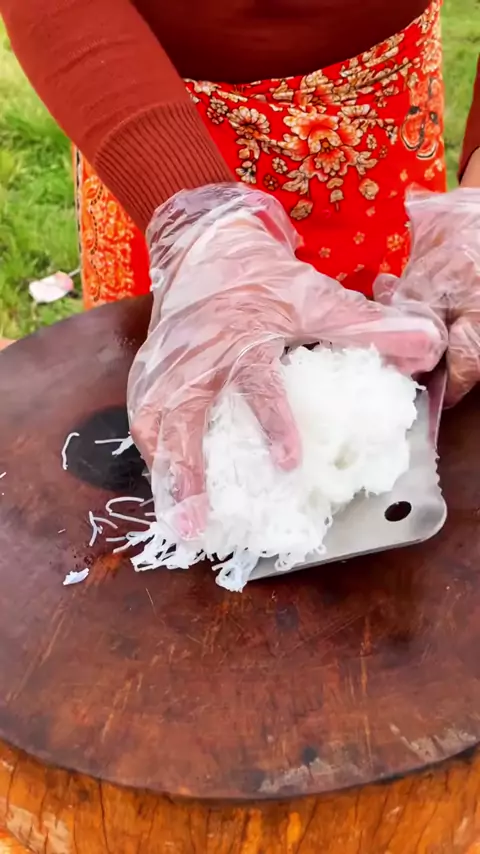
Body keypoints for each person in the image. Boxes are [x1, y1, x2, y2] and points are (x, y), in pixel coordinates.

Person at [2, 0, 480, 515]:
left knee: (400, 417)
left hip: (380, 123)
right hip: (146, 133)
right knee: (184, 466)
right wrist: (198, 227)